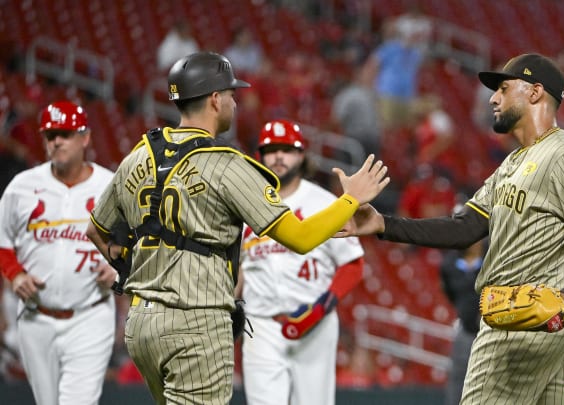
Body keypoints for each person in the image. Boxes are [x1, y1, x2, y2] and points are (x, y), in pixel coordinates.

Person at [84, 51, 389, 405]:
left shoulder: (139, 155)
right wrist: (351, 199)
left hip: (142, 323)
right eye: (231, 95)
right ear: (215, 99)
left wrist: (129, 268)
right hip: (195, 323)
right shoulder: (225, 164)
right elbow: (300, 237)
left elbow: (97, 231)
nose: (234, 103)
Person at [337, 53, 564, 404]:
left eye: (503, 88)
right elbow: (466, 227)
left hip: (520, 322)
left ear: (535, 93)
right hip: (548, 325)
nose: (492, 98)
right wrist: (384, 224)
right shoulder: (513, 163)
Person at [240, 119, 366, 405]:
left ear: (302, 155)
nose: (279, 157)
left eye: (287, 149)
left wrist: (325, 305)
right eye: (271, 149)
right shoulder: (246, 205)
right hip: (261, 324)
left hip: (315, 325)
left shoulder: (323, 202)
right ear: (260, 155)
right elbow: (238, 268)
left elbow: (353, 263)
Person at [0, 100, 117, 404]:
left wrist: (119, 267)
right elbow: (2, 240)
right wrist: (14, 275)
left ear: (86, 137)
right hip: (36, 316)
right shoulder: (22, 187)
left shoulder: (110, 186)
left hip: (90, 314)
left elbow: (136, 240)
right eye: (51, 135)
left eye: (65, 133)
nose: (57, 142)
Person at [439, 237, 485, 405]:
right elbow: (450, 293)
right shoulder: (449, 264)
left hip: (494, 330)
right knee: (459, 379)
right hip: (466, 329)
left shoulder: (494, 256)